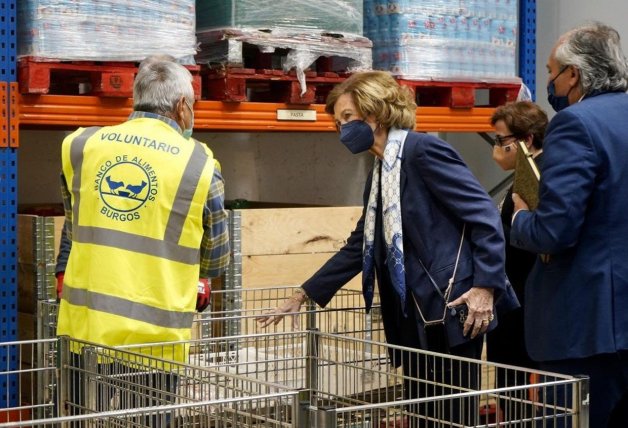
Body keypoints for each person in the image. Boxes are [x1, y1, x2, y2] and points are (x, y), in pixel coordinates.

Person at [258, 70, 518, 427]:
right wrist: (303, 293)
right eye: (337, 122)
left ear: (375, 112)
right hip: (411, 315)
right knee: (423, 413)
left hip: (452, 306)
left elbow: (484, 216)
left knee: (453, 415)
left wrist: (486, 287)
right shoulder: (380, 172)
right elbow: (360, 244)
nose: (341, 129)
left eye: (347, 118)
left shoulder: (423, 151)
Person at [55, 59, 230, 415]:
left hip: (86, 330)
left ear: (136, 98)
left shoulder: (80, 146)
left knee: (79, 417)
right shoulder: (198, 164)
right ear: (182, 106)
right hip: (157, 340)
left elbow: (74, 225)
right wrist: (200, 280)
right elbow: (216, 254)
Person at [511, 22, 628, 427]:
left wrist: (521, 216)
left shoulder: (575, 124)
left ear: (573, 74)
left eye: (550, 72)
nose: (549, 81)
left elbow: (554, 231)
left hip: (588, 324)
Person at [488, 101, 548, 422]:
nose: (496, 148)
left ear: (525, 140)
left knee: (516, 396)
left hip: (523, 303)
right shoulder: (522, 177)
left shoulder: (536, 178)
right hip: (515, 302)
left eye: (500, 140)